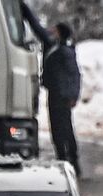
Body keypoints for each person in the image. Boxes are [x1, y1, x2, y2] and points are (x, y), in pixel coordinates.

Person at [24, 6, 82, 175]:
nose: (50, 31)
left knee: (63, 130)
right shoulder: (53, 46)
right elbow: (38, 29)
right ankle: (64, 159)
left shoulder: (64, 51)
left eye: (54, 30)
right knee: (58, 129)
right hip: (55, 94)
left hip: (62, 97)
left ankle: (71, 160)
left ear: (60, 34)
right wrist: (26, 11)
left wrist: (73, 95)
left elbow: (75, 75)